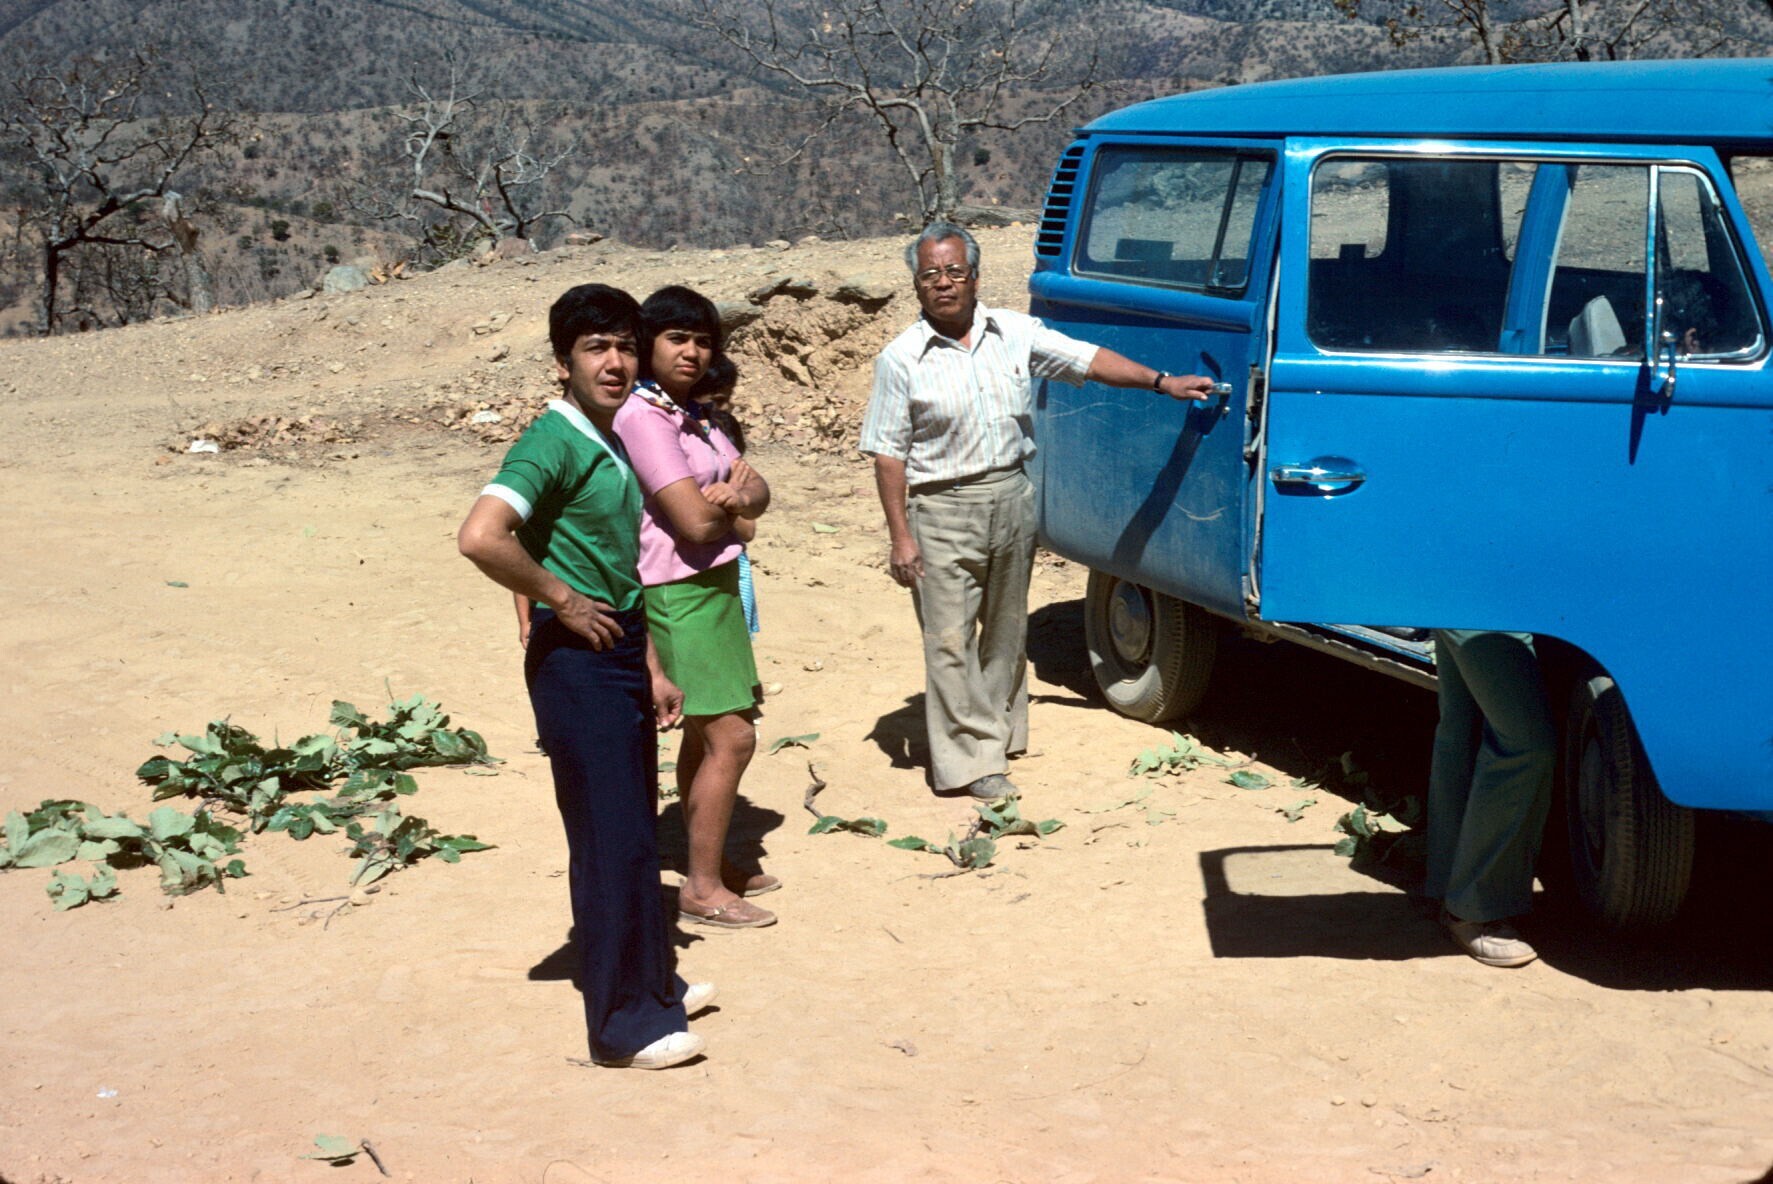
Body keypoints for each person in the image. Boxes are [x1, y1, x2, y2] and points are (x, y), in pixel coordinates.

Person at [858, 222, 1218, 800]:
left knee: (1005, 632)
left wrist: (1161, 382)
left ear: (975, 278)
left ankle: (998, 735)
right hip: (941, 509)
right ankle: (970, 763)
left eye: (954, 272)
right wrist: (901, 537)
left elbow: (1088, 359)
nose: (943, 283)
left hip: (1011, 497)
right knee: (949, 641)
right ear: (917, 286)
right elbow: (887, 455)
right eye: (930, 275)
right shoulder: (900, 359)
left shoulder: (1014, 333)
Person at [456, 283, 711, 1070]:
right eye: (595, 348)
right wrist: (559, 599)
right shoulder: (552, 441)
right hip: (576, 662)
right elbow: (481, 536)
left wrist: (652, 664)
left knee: (633, 828)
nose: (614, 362)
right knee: (611, 841)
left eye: (625, 347)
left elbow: (616, 561)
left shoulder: (609, 434)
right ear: (561, 362)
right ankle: (623, 1028)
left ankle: (653, 982)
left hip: (620, 646)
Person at [614, 285, 777, 930]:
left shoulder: (693, 415)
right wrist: (730, 509)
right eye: (676, 338)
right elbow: (693, 522)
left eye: (703, 341)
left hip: (714, 588)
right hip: (676, 593)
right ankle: (702, 888)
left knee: (705, 734)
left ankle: (702, 858)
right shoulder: (644, 417)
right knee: (732, 737)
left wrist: (734, 501)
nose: (691, 352)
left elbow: (758, 490)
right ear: (648, 343)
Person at [1425, 629, 1557, 968]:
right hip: (1490, 603)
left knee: (1466, 724)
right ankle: (1477, 908)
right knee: (1525, 743)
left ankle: (1451, 887)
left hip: (1465, 599)